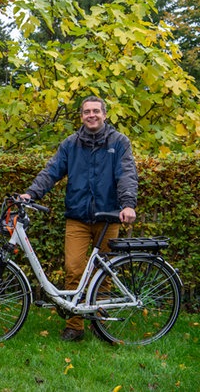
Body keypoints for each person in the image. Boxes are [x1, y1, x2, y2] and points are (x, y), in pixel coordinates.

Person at [20, 96, 138, 342]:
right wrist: (31, 193)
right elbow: (51, 171)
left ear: (105, 115)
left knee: (104, 273)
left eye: (96, 111)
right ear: (81, 116)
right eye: (87, 111)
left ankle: (100, 322)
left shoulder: (119, 142)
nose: (91, 115)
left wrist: (127, 204)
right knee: (73, 269)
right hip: (78, 218)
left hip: (109, 218)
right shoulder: (70, 144)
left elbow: (126, 174)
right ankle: (75, 326)